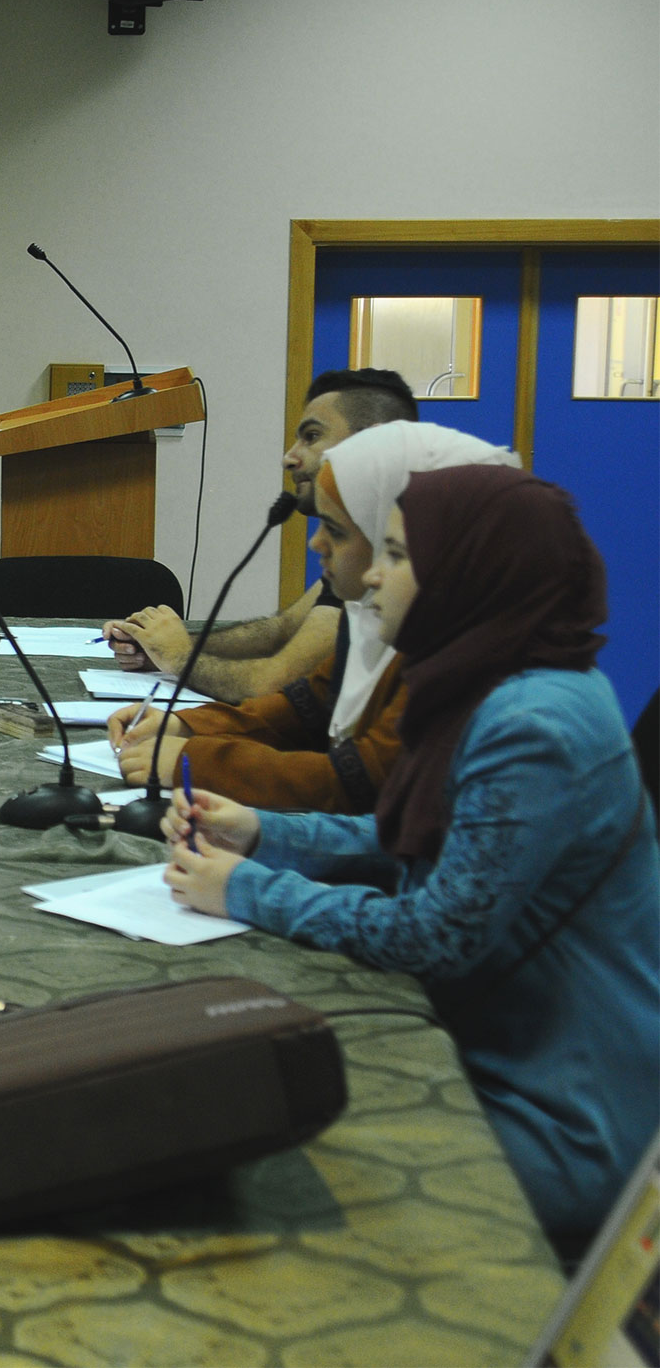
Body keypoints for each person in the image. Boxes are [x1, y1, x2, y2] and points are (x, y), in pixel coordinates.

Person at [161, 465, 660, 1258]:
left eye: (396, 553)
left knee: (275, 1177)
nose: (375, 575)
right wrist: (263, 832)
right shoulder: (490, 677)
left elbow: (435, 932)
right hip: (501, 1060)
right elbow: (423, 842)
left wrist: (251, 890)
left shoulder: (535, 722)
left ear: (468, 571)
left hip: (567, 1119)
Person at [111, 422, 516, 809]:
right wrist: (188, 725)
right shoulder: (374, 614)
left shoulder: (464, 651)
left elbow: (362, 780)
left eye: (336, 530)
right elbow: (306, 705)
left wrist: (196, 760)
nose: (315, 543)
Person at [105, 368, 418, 702]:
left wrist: (180, 656)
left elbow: (270, 686)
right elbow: (282, 631)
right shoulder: (364, 533)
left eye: (311, 437)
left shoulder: (402, 546)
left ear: (374, 441)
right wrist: (162, 643)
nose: (289, 457)